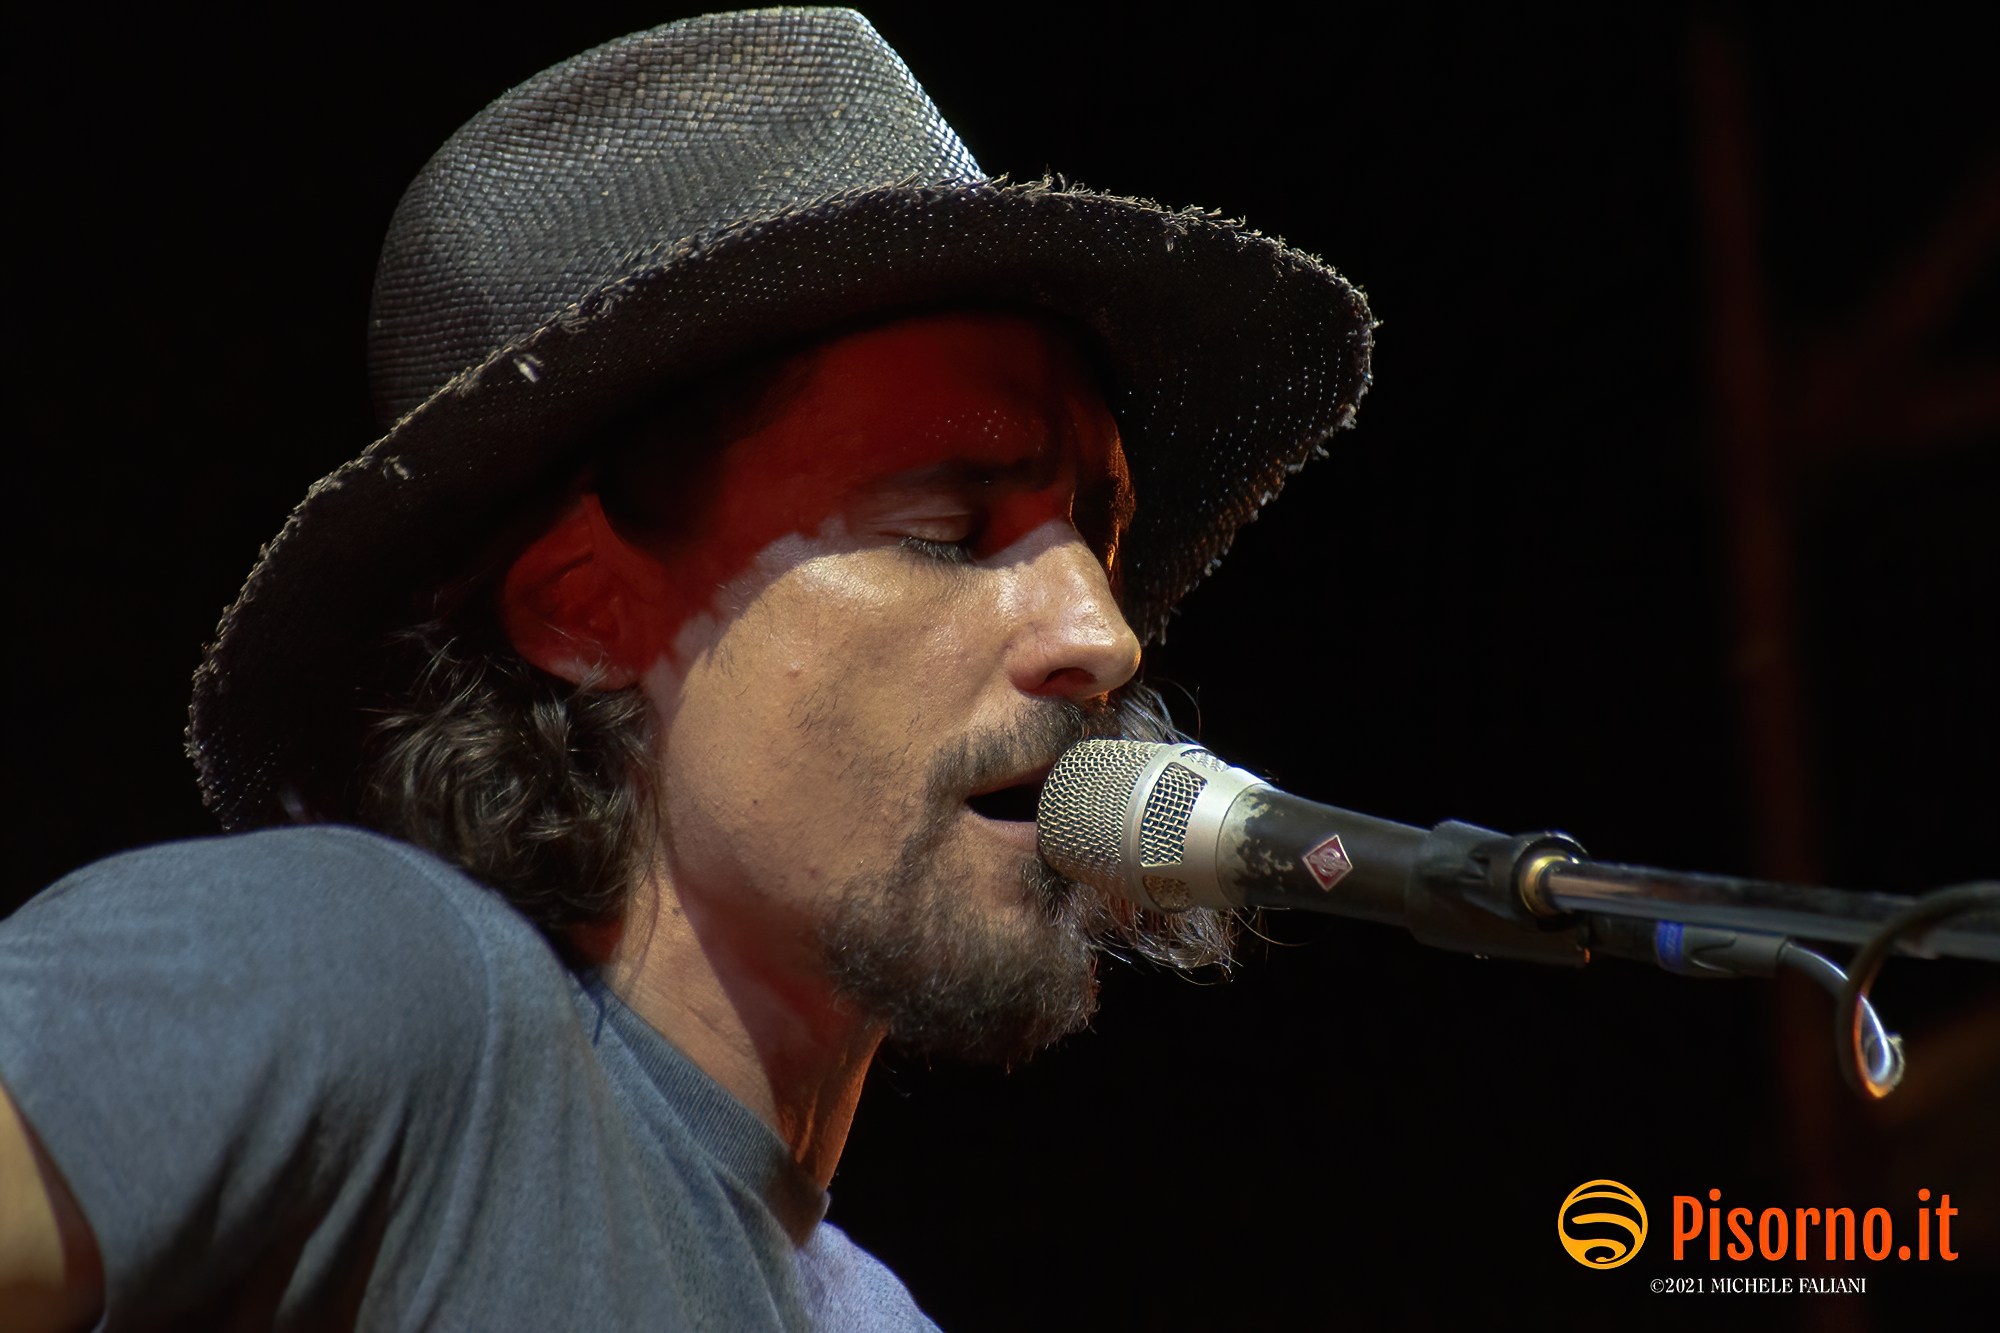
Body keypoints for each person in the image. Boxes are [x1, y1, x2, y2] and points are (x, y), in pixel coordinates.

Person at [0, 9, 1371, 1329]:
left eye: (1095, 538)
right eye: (947, 531)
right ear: (583, 609)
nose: (1103, 635)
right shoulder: (373, 977)